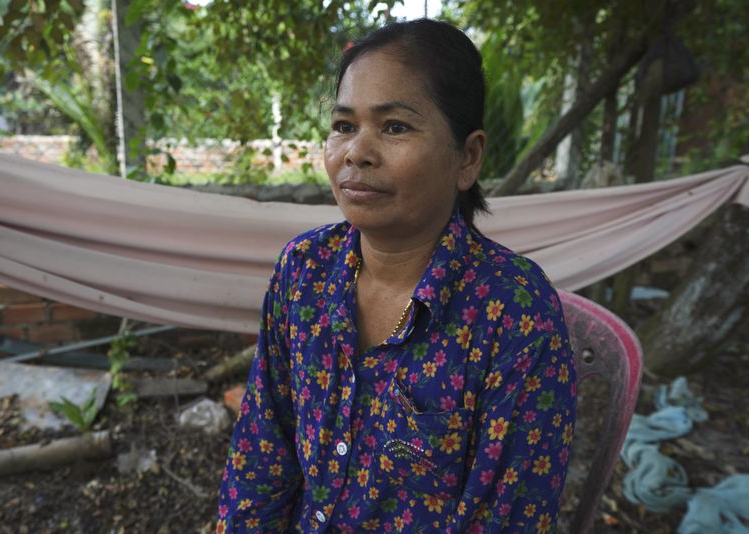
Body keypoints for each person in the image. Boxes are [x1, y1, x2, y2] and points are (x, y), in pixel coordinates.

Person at [217, 18, 576, 534]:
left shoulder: (514, 313)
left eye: (395, 127)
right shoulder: (304, 272)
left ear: (467, 157)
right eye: (343, 125)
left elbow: (508, 519)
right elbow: (261, 454)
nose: (356, 152)